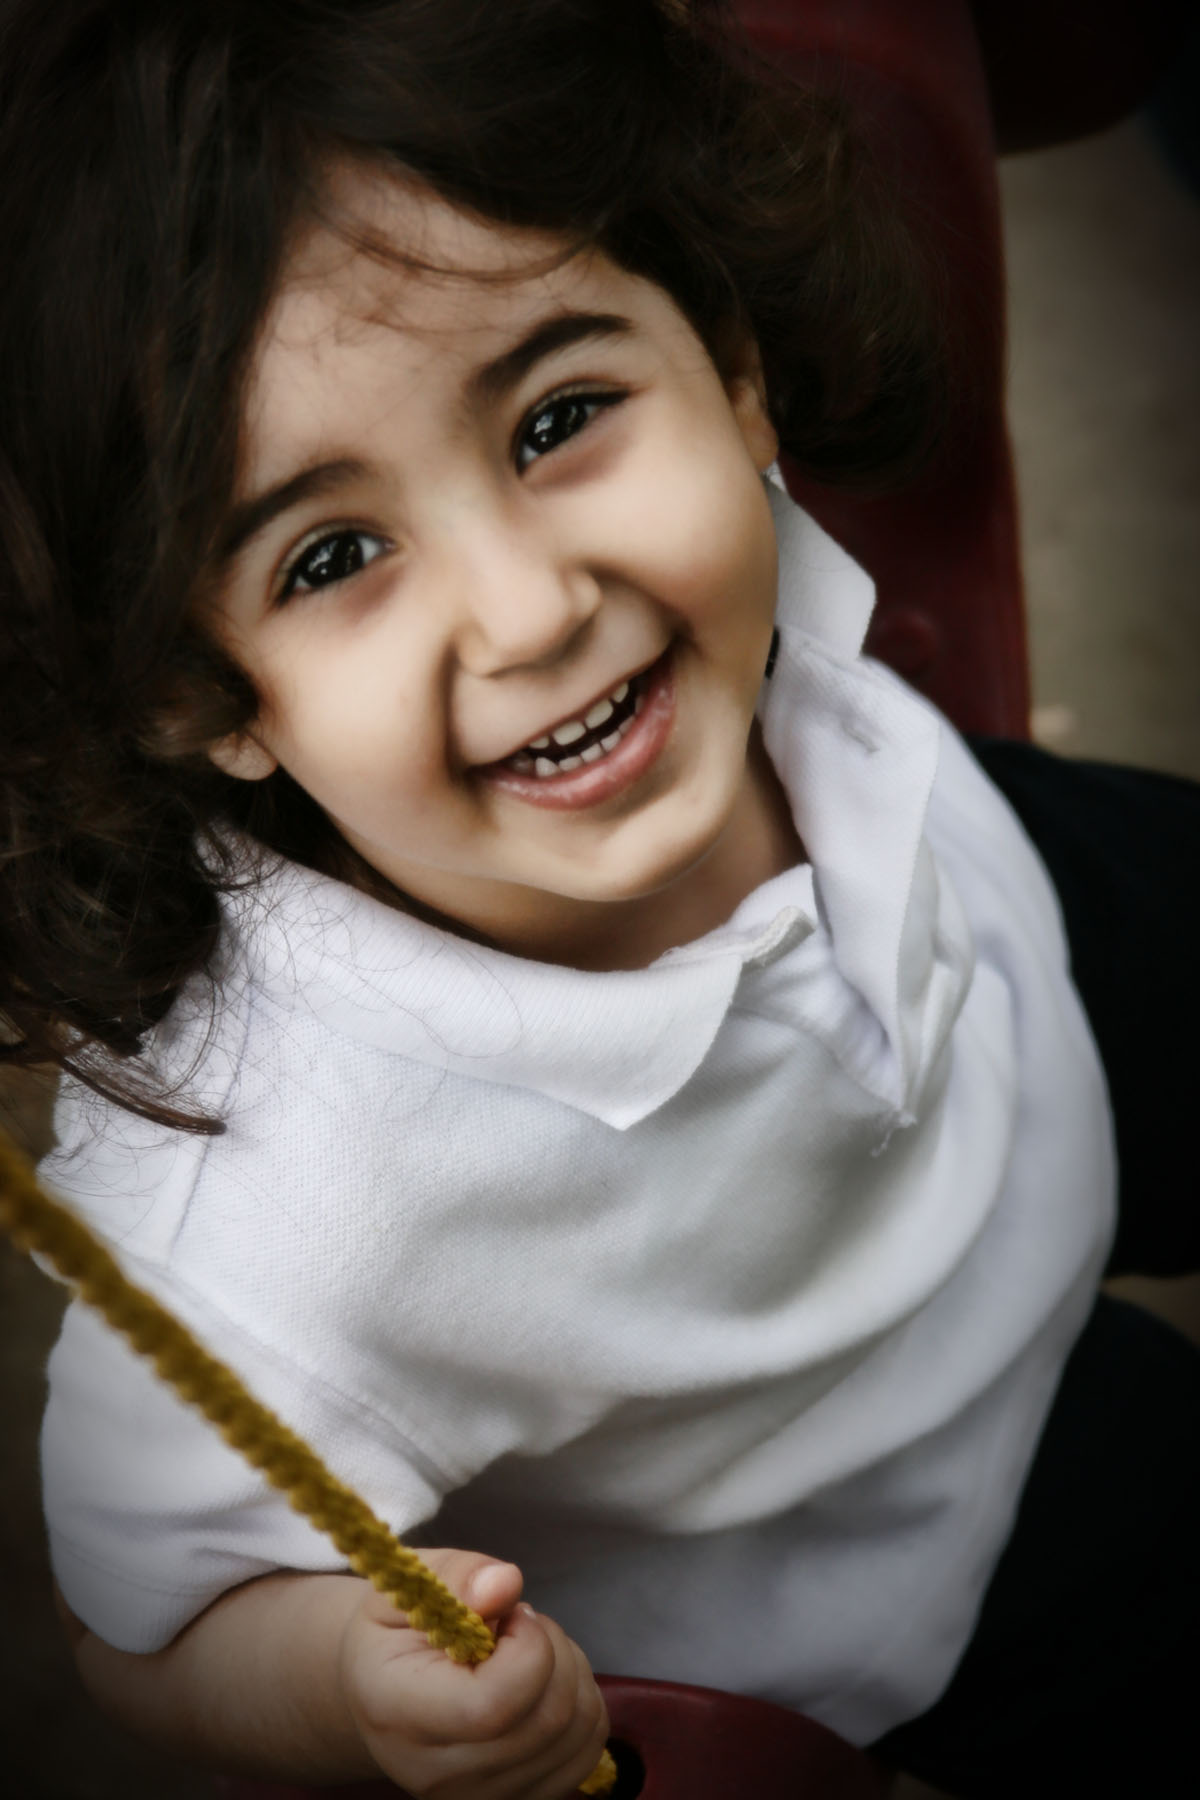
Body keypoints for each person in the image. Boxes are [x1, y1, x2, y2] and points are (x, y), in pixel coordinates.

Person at [1, 2, 1196, 1795]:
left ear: (730, 368)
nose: (531, 607)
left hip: (993, 927)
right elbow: (140, 1631)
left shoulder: (738, 642)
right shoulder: (276, 1226)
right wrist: (349, 1688)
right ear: (205, 697)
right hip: (919, 1492)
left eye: (561, 415)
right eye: (332, 555)